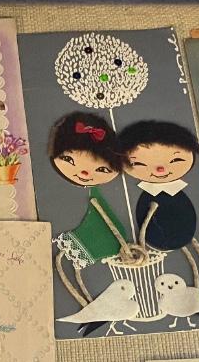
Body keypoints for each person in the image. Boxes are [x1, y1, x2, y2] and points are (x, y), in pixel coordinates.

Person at [47, 112, 138, 307]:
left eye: (102, 169)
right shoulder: (63, 197)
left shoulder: (98, 197)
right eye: (69, 159)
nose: (84, 173)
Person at [118, 120, 199, 297]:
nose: (161, 169)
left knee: (195, 254)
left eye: (176, 160)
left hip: (183, 227)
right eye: (141, 163)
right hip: (153, 235)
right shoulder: (146, 198)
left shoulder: (179, 195)